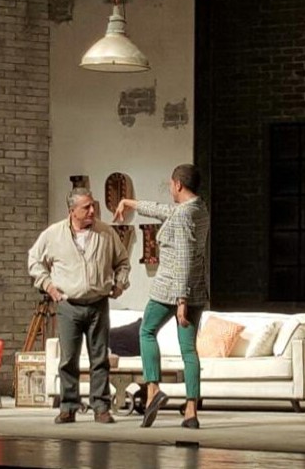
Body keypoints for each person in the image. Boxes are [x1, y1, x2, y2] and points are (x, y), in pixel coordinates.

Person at [114, 163, 210, 429]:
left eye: (170, 184)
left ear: (178, 184)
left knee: (146, 331)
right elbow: (163, 210)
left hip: (171, 289)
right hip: (196, 289)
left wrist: (181, 301)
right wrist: (130, 202)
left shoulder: (182, 216)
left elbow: (184, 258)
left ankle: (153, 389)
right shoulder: (198, 209)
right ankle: (191, 412)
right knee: (189, 350)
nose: (170, 188)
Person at [29, 187, 130, 424]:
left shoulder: (105, 232)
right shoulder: (53, 234)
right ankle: (68, 406)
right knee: (68, 359)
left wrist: (120, 283)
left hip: (98, 304)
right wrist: (49, 286)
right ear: (72, 210)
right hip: (68, 305)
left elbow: (123, 262)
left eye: (93, 205)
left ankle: (101, 407)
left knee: (100, 359)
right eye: (86, 207)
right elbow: (34, 261)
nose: (92, 210)